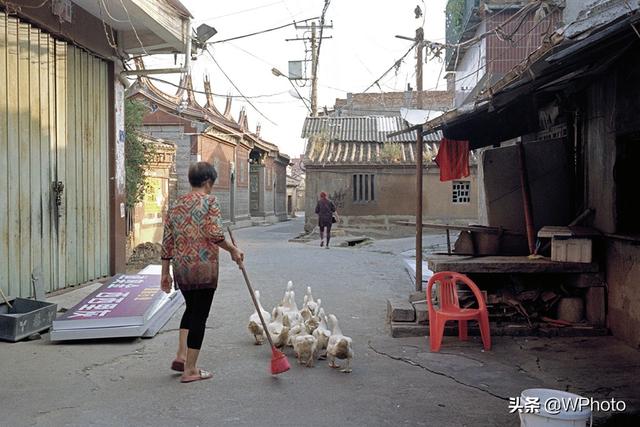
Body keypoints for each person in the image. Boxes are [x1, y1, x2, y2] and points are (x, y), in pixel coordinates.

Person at [160, 161, 244, 383]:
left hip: (182, 269)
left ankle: (181, 355)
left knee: (191, 309)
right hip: (204, 268)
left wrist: (165, 273)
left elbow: (167, 241)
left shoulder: (176, 205)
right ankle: (191, 370)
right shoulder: (210, 202)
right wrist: (233, 249)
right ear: (208, 181)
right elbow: (215, 234)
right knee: (200, 315)